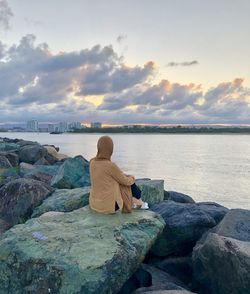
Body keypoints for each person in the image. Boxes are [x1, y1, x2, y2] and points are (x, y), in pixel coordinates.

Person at [89, 135, 148, 214]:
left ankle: (138, 202)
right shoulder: (110, 165)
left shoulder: (92, 162)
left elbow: (106, 175)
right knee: (129, 184)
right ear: (110, 149)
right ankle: (140, 203)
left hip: (94, 204)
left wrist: (123, 176)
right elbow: (126, 181)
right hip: (108, 207)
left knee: (119, 181)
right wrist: (132, 177)